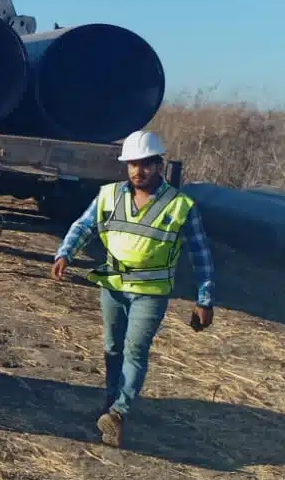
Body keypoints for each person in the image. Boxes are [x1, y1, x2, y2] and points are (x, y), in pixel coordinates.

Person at [51, 129, 214, 448]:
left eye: (145, 164)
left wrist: (204, 299)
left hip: (150, 292)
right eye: (132, 165)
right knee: (112, 347)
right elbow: (84, 225)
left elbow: (200, 253)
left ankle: (119, 413)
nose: (139, 171)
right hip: (113, 285)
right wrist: (64, 253)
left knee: (135, 350)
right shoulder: (110, 195)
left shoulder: (180, 205)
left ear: (159, 165)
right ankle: (110, 403)